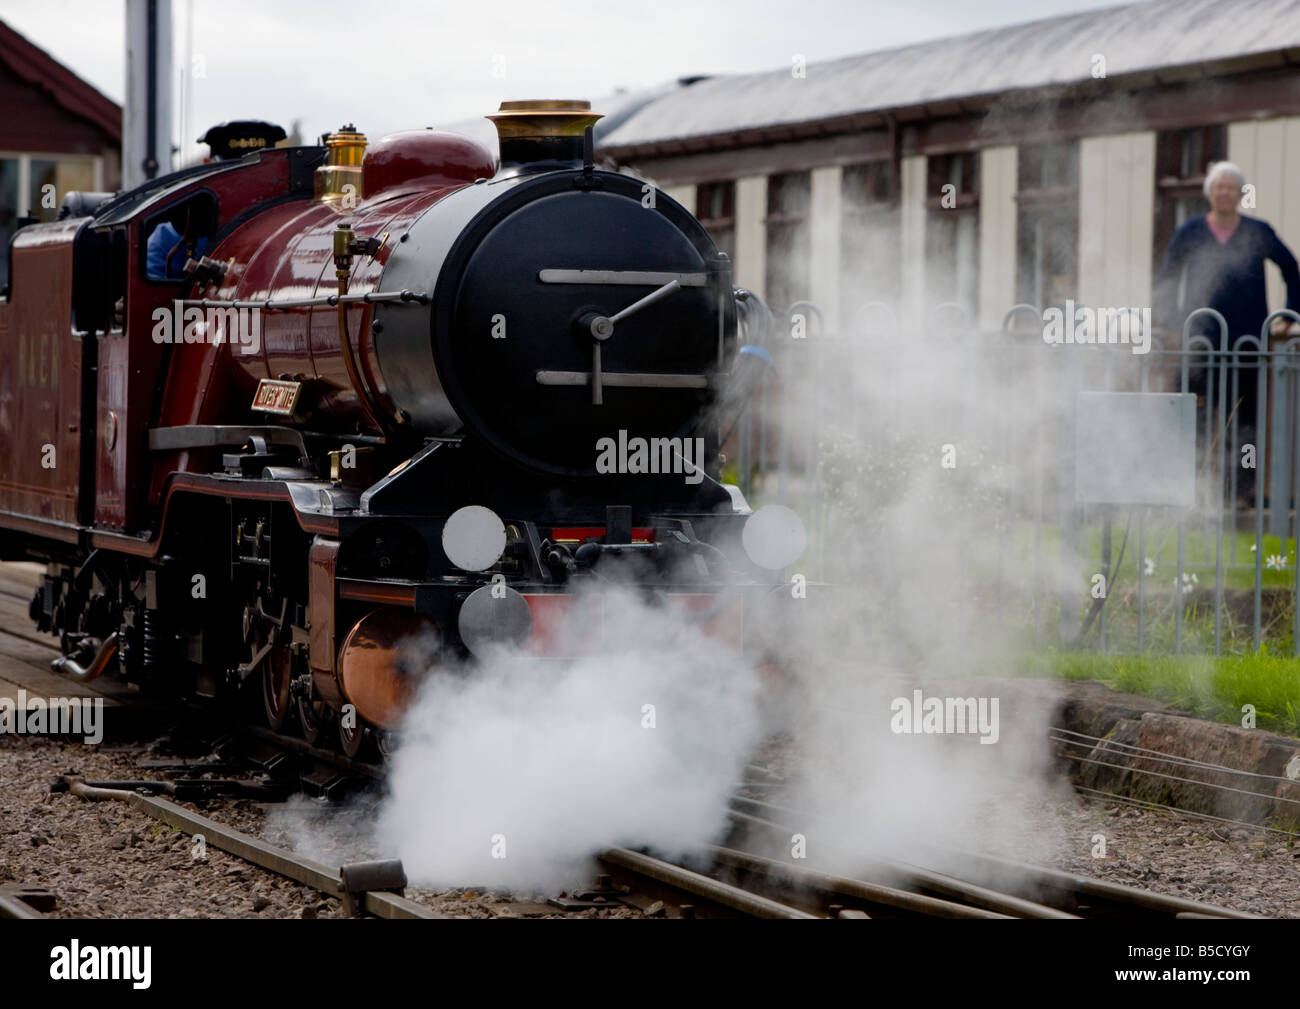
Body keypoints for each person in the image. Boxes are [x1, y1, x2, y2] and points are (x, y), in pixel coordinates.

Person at [1155, 161, 1300, 503]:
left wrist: (1290, 314)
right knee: (1195, 420)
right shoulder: (1189, 233)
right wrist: (1171, 321)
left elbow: (1292, 270)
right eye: (1218, 187)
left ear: (1239, 194)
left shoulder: (1257, 231)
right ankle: (1192, 489)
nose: (1224, 193)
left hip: (1247, 344)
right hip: (1199, 344)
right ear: (1209, 193)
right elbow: (1167, 278)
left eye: (1231, 187)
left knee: (1246, 426)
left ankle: (1242, 489)